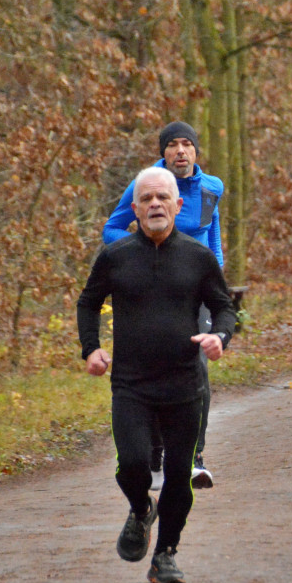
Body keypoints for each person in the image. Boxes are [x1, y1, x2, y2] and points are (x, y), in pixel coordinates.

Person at [77, 166, 236, 583]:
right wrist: (90, 347)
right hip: (131, 383)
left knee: (180, 475)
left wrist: (220, 336)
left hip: (184, 384)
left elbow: (224, 306)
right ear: (134, 209)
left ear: (178, 205)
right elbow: (88, 302)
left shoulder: (198, 258)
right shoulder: (115, 257)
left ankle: (165, 553)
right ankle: (139, 509)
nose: (155, 205)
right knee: (132, 464)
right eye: (146, 199)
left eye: (162, 198)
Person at [104, 122, 222, 492]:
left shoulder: (211, 187)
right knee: (154, 368)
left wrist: (215, 278)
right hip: (153, 284)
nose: (181, 151)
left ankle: (192, 458)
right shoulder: (147, 184)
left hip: (195, 288)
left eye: (188, 144)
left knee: (196, 369)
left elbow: (212, 232)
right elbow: (112, 229)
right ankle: (154, 455)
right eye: (173, 145)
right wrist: (141, 251)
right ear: (164, 152)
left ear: (196, 152)